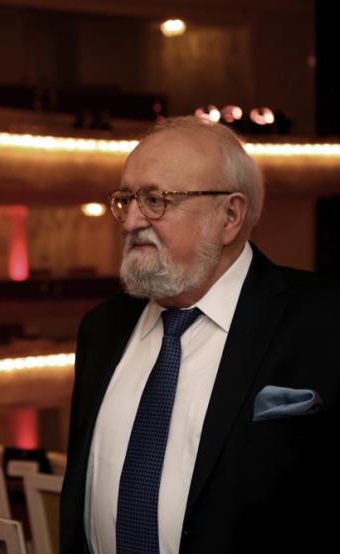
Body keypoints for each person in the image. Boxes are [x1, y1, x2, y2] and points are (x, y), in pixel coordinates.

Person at [59, 116, 340, 553]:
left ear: (229, 216)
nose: (130, 221)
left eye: (155, 199)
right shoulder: (101, 329)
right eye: (126, 199)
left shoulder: (325, 321)